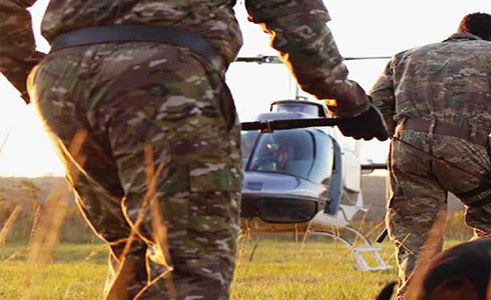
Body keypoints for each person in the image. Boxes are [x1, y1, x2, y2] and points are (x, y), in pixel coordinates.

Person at [0, 1, 388, 299]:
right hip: (165, 72)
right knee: (189, 267)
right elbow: (293, 16)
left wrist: (30, 76)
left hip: (60, 81)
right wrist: (345, 100)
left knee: (133, 252)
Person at [369, 12, 491, 297]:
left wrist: (401, 132)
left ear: (459, 31)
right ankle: (484, 288)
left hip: (407, 149)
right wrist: (489, 120)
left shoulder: (405, 56)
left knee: (416, 238)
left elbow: (375, 102)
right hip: (464, 147)